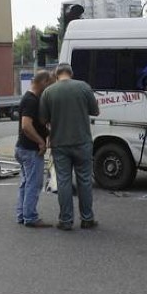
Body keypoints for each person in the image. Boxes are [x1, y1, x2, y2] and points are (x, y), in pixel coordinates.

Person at [40, 63, 100, 231]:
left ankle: (66, 221)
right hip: (82, 142)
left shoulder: (48, 92)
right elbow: (96, 111)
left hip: (60, 144)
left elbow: (43, 120)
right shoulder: (84, 87)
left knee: (64, 181)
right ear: (71, 74)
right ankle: (87, 218)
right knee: (85, 181)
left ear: (57, 74)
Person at [14, 70, 55, 228]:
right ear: (44, 81)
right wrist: (41, 142)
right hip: (30, 149)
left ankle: (22, 214)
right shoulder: (31, 100)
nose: (50, 87)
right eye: (50, 83)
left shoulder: (29, 98)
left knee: (25, 183)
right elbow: (26, 125)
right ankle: (30, 217)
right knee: (33, 184)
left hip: (22, 148)